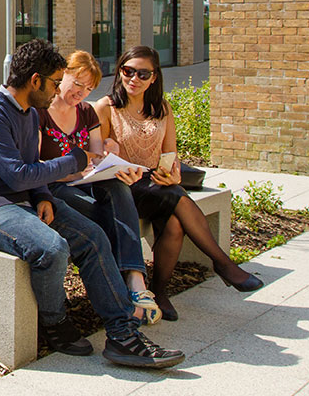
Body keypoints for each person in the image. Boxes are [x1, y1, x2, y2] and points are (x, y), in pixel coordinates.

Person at [0, 39, 183, 368]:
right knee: (53, 247)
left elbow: (31, 169)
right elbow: (16, 175)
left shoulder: (28, 114)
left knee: (93, 237)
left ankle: (123, 336)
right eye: (56, 82)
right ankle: (55, 324)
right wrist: (73, 160)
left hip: (22, 201)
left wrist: (43, 195)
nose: (58, 89)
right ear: (35, 81)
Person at [93, 46, 264, 322]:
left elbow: (171, 157)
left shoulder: (162, 108)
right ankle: (223, 264)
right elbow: (98, 159)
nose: (133, 78)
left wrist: (173, 175)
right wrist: (168, 183)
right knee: (176, 196)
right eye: (127, 71)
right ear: (120, 72)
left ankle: (159, 292)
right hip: (122, 186)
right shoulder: (106, 107)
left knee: (174, 222)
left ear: (154, 78)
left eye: (142, 73)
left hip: (158, 185)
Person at [37, 50, 159, 324]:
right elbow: (37, 165)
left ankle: (134, 280)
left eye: (89, 88)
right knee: (108, 218)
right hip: (56, 188)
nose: (81, 92)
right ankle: (126, 295)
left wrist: (110, 153)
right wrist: (83, 163)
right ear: (63, 75)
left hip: (84, 182)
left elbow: (97, 158)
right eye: (77, 84)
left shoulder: (87, 111)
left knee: (118, 188)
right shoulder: (41, 111)